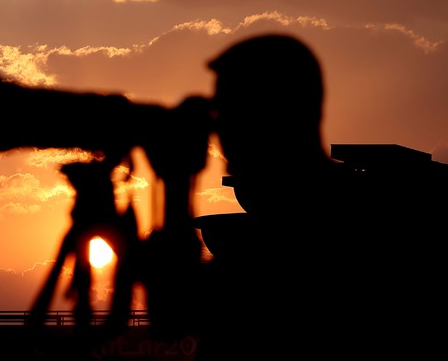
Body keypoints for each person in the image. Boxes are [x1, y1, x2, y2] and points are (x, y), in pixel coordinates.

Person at [144, 33, 444, 360]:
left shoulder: (314, 228)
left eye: (230, 114)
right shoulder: (343, 209)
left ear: (272, 117)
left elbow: (175, 316)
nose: (221, 135)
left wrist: (176, 182)